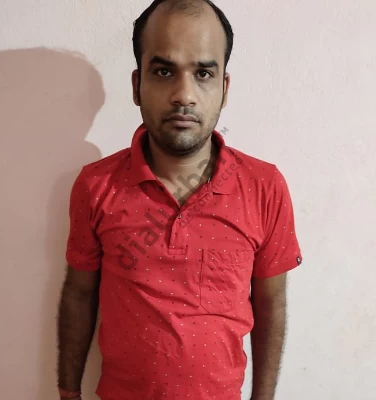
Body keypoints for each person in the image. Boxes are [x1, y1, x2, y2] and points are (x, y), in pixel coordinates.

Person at [56, 0, 303, 399]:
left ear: (224, 88)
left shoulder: (264, 187)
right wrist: (68, 392)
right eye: (164, 71)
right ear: (136, 85)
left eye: (203, 73)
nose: (183, 95)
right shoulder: (96, 185)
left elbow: (271, 303)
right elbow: (79, 293)